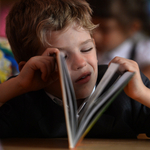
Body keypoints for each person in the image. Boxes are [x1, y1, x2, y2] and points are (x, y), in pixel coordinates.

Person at [0, 0, 150, 139]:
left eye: (87, 49)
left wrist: (143, 94)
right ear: (32, 68)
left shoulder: (126, 88)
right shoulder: (20, 97)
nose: (80, 63)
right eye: (62, 57)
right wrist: (18, 85)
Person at [88, 0, 150, 79]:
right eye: (91, 27)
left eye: (105, 29)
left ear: (133, 27)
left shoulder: (143, 51)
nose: (95, 36)